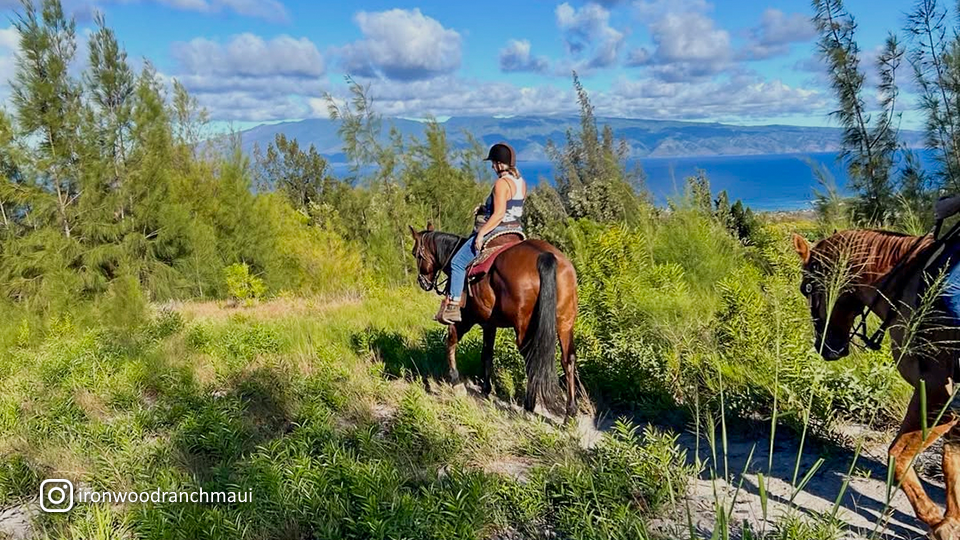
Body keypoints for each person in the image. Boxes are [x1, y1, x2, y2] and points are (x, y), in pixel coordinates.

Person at [437, 142, 526, 324]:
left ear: (501, 164)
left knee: (457, 262)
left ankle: (453, 306)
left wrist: (480, 234)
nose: (493, 166)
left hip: (498, 230)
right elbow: (511, 207)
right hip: (516, 230)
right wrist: (485, 207)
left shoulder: (501, 183)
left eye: (494, 163)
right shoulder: (521, 182)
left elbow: (499, 214)